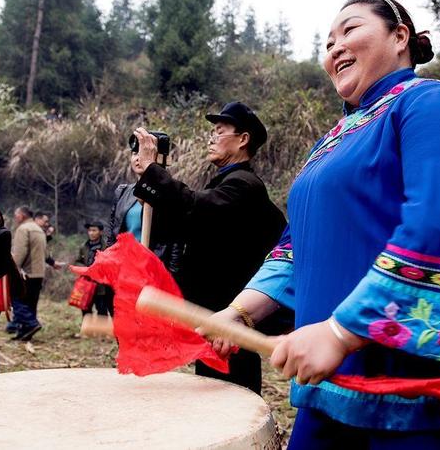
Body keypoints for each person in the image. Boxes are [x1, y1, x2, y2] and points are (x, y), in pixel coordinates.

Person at [209, 0, 440, 448]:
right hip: (331, 382)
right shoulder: (329, 144)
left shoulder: (432, 104)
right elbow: (299, 248)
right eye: (328, 41)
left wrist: (341, 330)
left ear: (400, 37)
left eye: (350, 30)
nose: (335, 47)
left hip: (421, 389)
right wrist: (238, 313)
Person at [133, 102, 287, 395]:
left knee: (231, 394)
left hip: (232, 314)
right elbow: (184, 224)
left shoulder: (244, 185)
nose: (211, 138)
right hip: (213, 314)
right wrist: (150, 180)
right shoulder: (226, 183)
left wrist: (154, 172)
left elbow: (196, 209)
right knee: (212, 387)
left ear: (243, 139)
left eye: (219, 131)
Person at [107, 148, 183, 276]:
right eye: (135, 153)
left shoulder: (173, 194)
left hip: (155, 271)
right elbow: (112, 232)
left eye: (143, 153)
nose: (138, 158)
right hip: (124, 268)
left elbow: (176, 241)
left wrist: (170, 276)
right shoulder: (122, 191)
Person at [9, 206, 46, 341]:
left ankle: (31, 324)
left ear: (22, 215)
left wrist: (13, 270)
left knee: (16, 300)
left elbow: (20, 253)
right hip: (38, 272)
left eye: (16, 215)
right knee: (30, 303)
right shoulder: (39, 229)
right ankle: (25, 333)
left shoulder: (23, 229)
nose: (15, 217)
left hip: (26, 273)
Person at [75, 221, 113, 316]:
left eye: (94, 230)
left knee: (102, 311)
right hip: (86, 284)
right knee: (85, 310)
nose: (91, 233)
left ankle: (102, 330)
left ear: (100, 232)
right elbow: (78, 261)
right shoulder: (84, 247)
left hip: (102, 286)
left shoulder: (107, 247)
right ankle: (87, 330)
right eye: (89, 230)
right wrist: (85, 269)